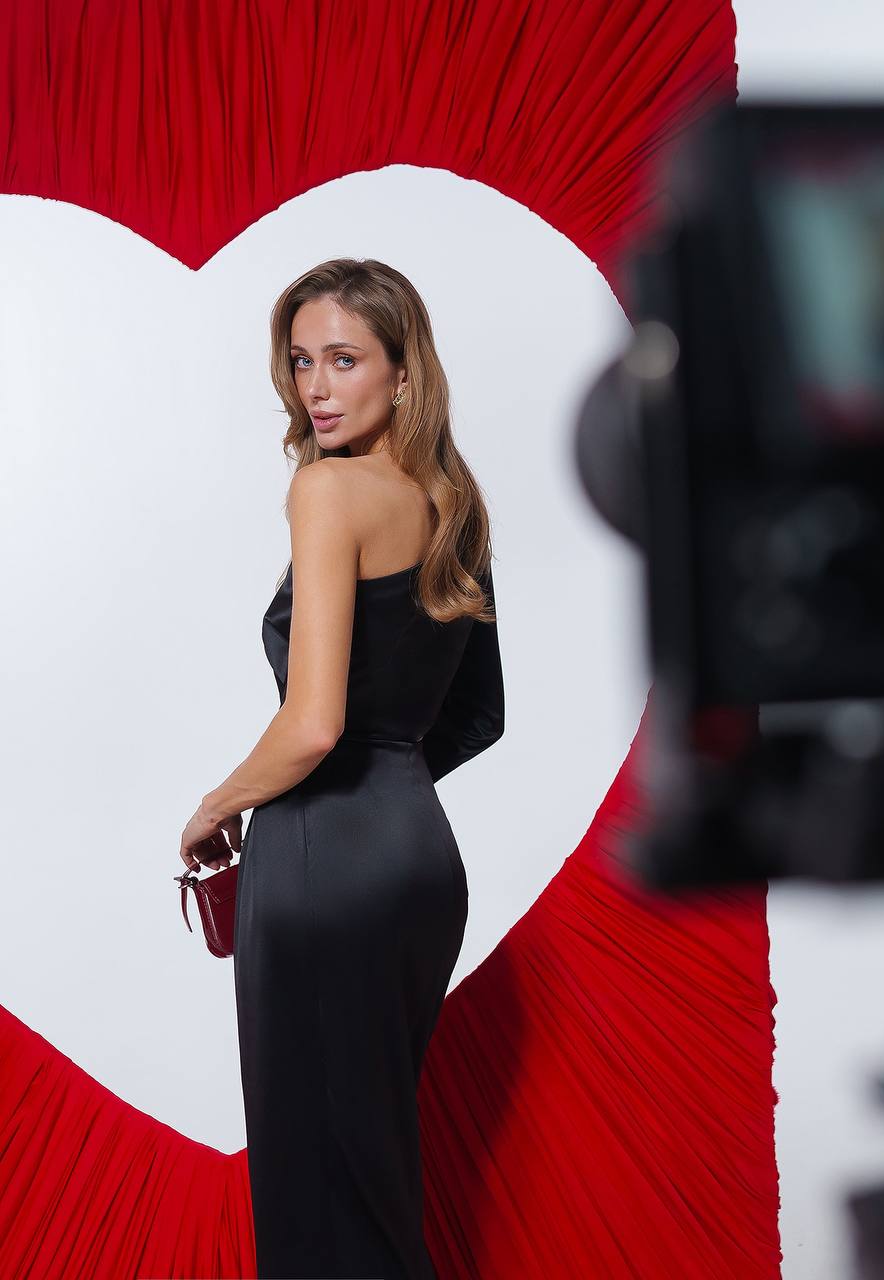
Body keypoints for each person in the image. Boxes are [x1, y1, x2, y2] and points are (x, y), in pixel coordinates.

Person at [177, 258, 505, 1279]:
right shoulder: (452, 498)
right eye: (302, 360)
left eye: (345, 360)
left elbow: (310, 725)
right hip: (415, 865)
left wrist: (215, 805)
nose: (316, 387)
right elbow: (478, 716)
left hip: (321, 870)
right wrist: (387, 788)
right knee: (371, 1169)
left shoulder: (326, 491)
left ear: (404, 375)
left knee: (316, 1187)